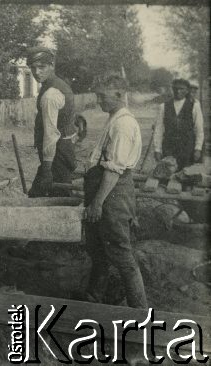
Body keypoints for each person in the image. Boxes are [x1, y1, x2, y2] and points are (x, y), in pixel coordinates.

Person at [84, 75, 147, 309]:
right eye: (97, 94)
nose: (98, 100)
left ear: (119, 95)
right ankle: (93, 298)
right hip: (105, 192)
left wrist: (97, 203)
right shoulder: (114, 118)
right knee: (99, 250)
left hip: (113, 195)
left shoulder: (123, 124)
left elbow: (113, 170)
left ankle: (140, 312)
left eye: (102, 95)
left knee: (121, 254)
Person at [26, 46, 77, 197]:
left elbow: (50, 134)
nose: (36, 72)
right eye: (33, 68)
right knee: (47, 195)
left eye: (42, 67)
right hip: (62, 150)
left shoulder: (50, 95)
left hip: (56, 155)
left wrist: (47, 170)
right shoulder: (57, 85)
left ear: (52, 65)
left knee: (58, 199)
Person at [153, 78, 204, 170]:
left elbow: (199, 129)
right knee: (166, 175)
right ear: (172, 89)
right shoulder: (163, 106)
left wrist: (198, 148)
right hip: (169, 147)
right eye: (175, 88)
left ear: (187, 90)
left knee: (185, 176)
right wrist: (157, 149)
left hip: (187, 148)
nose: (178, 91)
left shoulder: (194, 106)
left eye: (181, 89)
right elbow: (159, 129)